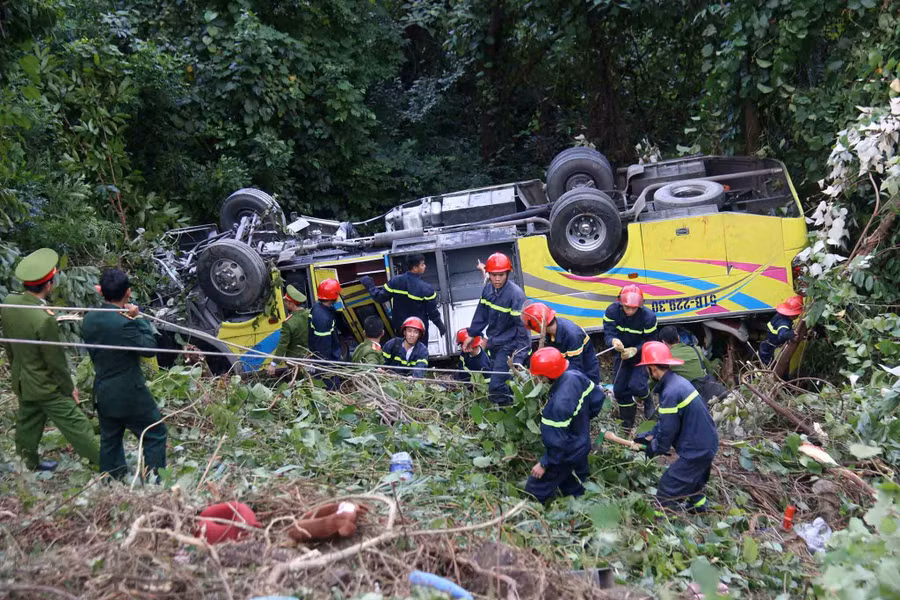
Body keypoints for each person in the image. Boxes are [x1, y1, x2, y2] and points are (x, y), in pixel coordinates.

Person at [0, 249, 100, 472]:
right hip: (46, 386)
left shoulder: (9, 303)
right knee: (77, 424)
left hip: (23, 379)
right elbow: (55, 361)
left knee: (28, 424)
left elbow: (8, 345)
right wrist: (69, 387)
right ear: (49, 285)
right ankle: (108, 465)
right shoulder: (44, 319)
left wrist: (18, 371)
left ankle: (27, 464)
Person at [82, 269, 167, 480]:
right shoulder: (125, 324)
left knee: (110, 440)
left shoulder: (89, 319)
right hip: (129, 392)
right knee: (155, 433)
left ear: (101, 292)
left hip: (103, 391)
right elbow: (149, 349)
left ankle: (112, 482)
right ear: (128, 293)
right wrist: (138, 319)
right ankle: (155, 482)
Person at [633, 341, 718, 513]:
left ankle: (663, 519)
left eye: (647, 369)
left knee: (669, 484)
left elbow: (668, 430)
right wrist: (648, 436)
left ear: (653, 368)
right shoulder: (678, 383)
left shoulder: (670, 393)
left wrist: (654, 448)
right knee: (694, 479)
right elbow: (666, 422)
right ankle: (699, 508)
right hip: (705, 442)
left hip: (697, 448)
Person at [525, 347, 594, 503]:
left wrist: (544, 463)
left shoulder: (557, 407)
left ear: (547, 375)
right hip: (581, 443)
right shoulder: (576, 376)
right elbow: (597, 399)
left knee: (534, 489)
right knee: (575, 484)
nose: (539, 380)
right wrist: (580, 423)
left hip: (567, 452)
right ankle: (581, 507)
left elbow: (557, 443)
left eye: (540, 376)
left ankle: (535, 516)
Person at [462, 253, 531, 405]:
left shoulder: (515, 295)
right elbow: (481, 314)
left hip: (509, 346)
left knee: (496, 386)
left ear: (508, 273)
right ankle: (511, 409)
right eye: (493, 275)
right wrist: (472, 335)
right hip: (494, 344)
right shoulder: (488, 290)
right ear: (489, 274)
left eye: (501, 275)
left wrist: (518, 359)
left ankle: (508, 413)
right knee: (506, 382)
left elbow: (522, 330)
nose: (497, 279)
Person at [522, 303, 605, 418]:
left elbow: (575, 370)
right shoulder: (551, 333)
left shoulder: (572, 336)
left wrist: (551, 378)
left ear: (538, 327)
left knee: (579, 410)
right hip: (567, 370)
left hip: (585, 374)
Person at [603, 284, 657, 429]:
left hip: (640, 355)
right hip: (622, 355)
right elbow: (608, 333)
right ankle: (627, 425)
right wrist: (613, 342)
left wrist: (635, 350)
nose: (630, 311)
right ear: (620, 303)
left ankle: (648, 400)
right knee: (619, 390)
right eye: (627, 307)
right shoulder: (612, 312)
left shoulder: (649, 317)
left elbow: (651, 341)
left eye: (634, 308)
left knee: (637, 386)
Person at [360, 253, 447, 344]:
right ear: (415, 268)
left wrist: (369, 285)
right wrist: (440, 325)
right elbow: (432, 313)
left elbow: (379, 297)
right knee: (420, 356)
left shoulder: (395, 282)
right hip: (419, 333)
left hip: (401, 331)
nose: (425, 266)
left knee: (402, 356)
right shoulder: (426, 289)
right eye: (422, 264)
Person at [658, 326, 726, 402]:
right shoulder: (697, 350)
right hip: (708, 395)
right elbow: (709, 370)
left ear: (663, 342)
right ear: (678, 338)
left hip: (687, 399)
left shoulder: (664, 359)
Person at [266, 284, 310, 375]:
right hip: (309, 358)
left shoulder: (288, 323)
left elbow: (283, 344)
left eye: (286, 302)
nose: (285, 304)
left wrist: (273, 364)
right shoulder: (309, 314)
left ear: (291, 303)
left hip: (294, 362)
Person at [308, 278, 342, 389]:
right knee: (330, 388)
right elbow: (323, 346)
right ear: (334, 296)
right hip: (327, 362)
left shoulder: (318, 307)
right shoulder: (323, 318)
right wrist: (326, 368)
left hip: (321, 358)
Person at [759, 295, 803, 366]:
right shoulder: (784, 323)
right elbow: (782, 335)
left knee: (765, 367)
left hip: (766, 346)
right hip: (771, 351)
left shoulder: (779, 316)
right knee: (774, 369)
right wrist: (791, 334)